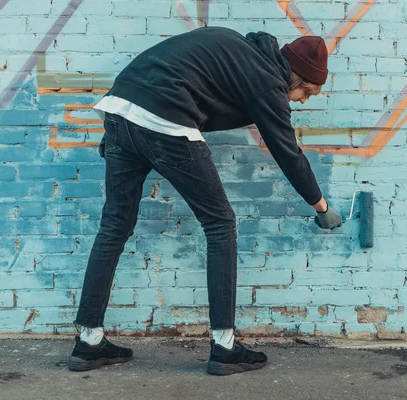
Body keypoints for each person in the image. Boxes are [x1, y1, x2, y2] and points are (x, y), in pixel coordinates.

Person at [68, 26, 343, 376]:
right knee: (220, 224)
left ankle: (88, 341)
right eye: (306, 91)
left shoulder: (238, 50)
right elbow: (287, 151)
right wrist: (321, 206)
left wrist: (124, 137)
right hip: (161, 117)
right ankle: (225, 346)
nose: (302, 100)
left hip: (119, 109)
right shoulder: (266, 81)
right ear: (295, 76)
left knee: (114, 226)